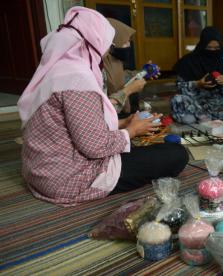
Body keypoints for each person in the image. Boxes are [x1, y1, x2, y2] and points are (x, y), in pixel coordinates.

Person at [18, 7, 188, 206]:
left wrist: (124, 122)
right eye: (106, 42)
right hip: (68, 179)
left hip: (39, 171)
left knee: (147, 148)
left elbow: (75, 124)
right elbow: (95, 147)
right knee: (176, 154)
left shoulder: (56, 68)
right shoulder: (77, 79)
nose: (108, 49)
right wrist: (132, 131)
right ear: (93, 40)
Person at [103, 18, 146, 117]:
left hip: (120, 114)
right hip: (110, 117)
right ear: (113, 42)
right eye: (124, 42)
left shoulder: (114, 59)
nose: (128, 46)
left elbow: (121, 76)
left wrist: (142, 72)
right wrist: (129, 89)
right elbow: (103, 110)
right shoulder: (100, 65)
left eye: (129, 42)